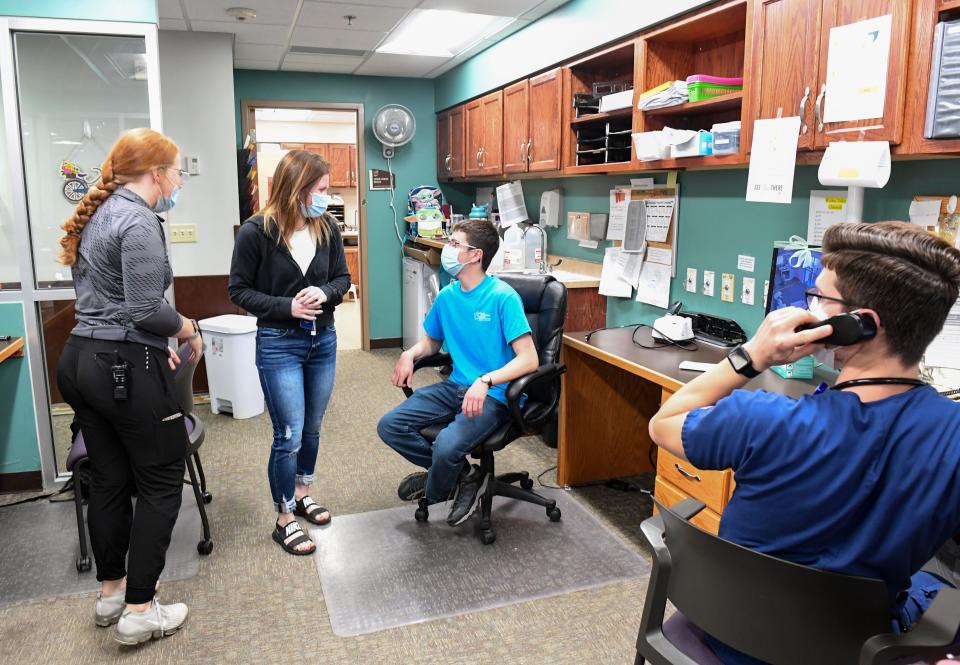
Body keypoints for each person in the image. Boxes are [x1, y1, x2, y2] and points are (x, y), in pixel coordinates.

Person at [648, 222, 960, 665]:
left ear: (859, 326)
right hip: (857, 652)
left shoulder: (760, 417)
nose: (809, 309)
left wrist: (752, 354)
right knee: (940, 590)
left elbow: (663, 424)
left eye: (818, 299)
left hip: (730, 636)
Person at [56, 128, 200, 645]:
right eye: (178, 170)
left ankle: (112, 592)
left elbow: (116, 305)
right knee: (162, 483)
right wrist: (187, 327)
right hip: (121, 368)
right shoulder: (139, 219)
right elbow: (146, 309)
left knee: (112, 482)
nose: (180, 179)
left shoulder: (99, 213)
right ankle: (140, 609)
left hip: (79, 360)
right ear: (156, 173)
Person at [377, 219, 539, 526]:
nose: (447, 249)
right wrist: (409, 354)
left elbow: (529, 359)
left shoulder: (503, 298)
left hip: (495, 395)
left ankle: (437, 485)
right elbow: (431, 341)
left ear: (475, 255)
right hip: (456, 386)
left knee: (448, 445)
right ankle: (465, 475)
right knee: (391, 426)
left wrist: (486, 379)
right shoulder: (448, 296)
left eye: (454, 244)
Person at [229, 150, 351, 556]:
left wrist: (326, 292)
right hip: (279, 343)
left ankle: (302, 494)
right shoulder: (256, 232)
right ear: (295, 190)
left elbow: (342, 278)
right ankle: (284, 517)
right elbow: (239, 290)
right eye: (319, 189)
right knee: (288, 433)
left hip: (323, 340)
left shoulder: (327, 227)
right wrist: (288, 307)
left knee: (313, 427)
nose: (325, 196)